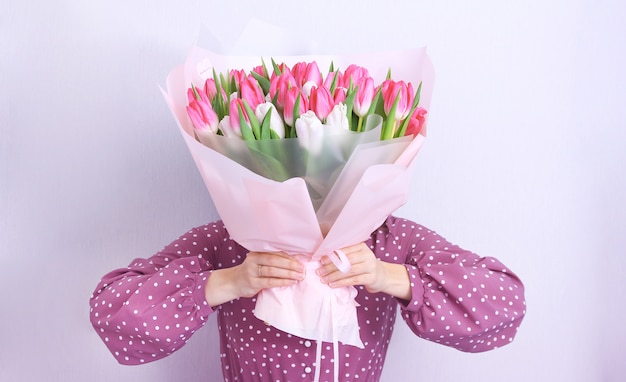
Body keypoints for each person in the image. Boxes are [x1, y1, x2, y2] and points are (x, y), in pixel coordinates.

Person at [90, 215, 525, 381]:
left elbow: (503, 306)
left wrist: (388, 275)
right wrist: (228, 282)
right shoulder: (232, 238)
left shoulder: (389, 238)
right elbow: (115, 314)